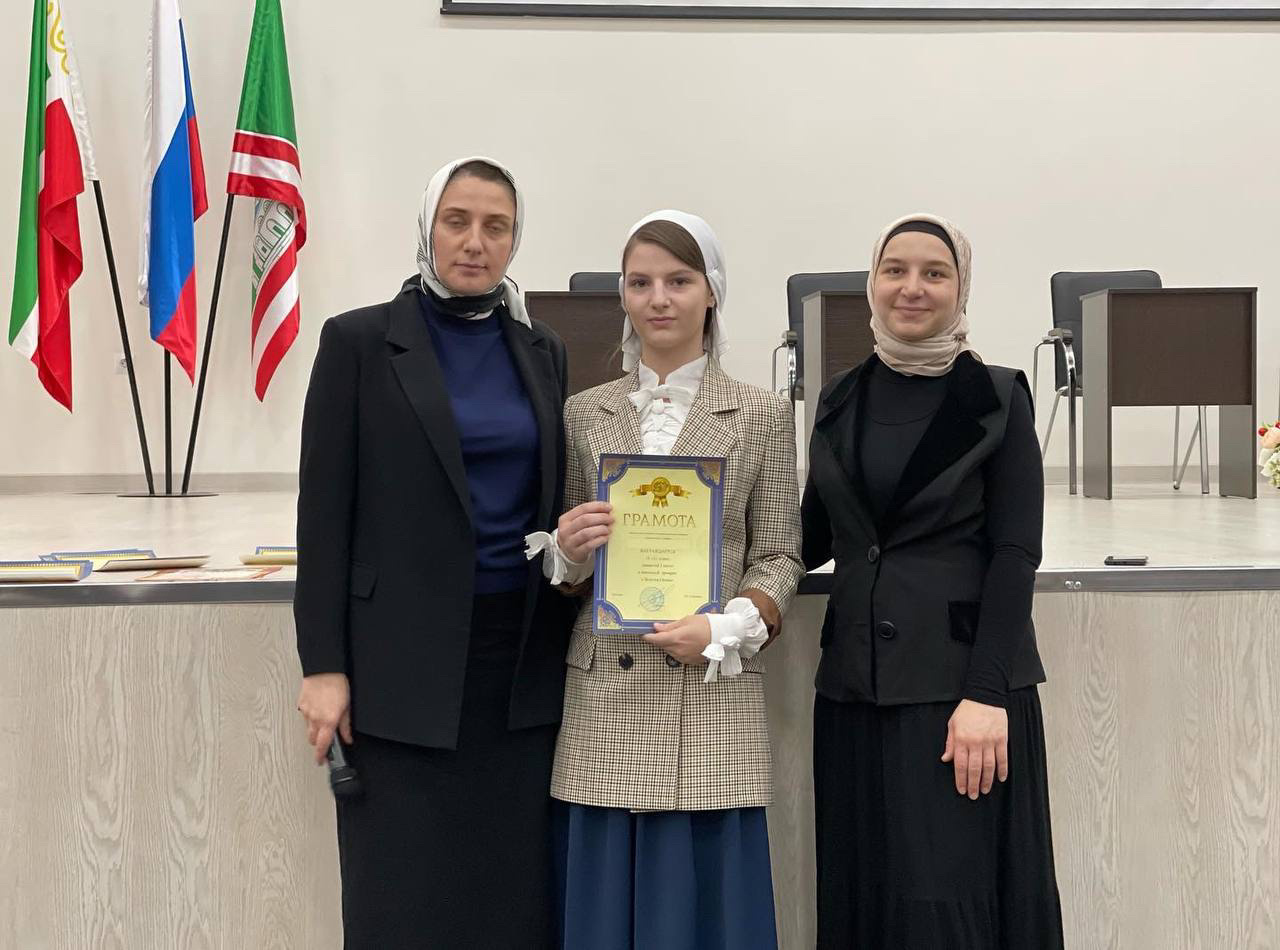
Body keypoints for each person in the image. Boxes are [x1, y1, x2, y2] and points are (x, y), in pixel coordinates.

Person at [293, 156, 574, 948]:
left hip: (516, 670)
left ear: (515, 240)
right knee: (402, 898)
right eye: (458, 221)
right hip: (399, 671)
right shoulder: (358, 342)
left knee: (511, 898)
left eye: (496, 226)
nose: (475, 242)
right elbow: (323, 516)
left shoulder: (541, 348)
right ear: (428, 226)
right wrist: (323, 666)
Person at [526, 210, 804, 950]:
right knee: (604, 913)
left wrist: (726, 627)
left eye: (679, 281)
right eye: (640, 282)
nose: (658, 299)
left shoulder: (762, 414)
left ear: (711, 292)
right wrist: (569, 552)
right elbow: (568, 570)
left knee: (706, 911)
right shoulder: (583, 413)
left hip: (707, 689)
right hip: (606, 693)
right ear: (622, 295)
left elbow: (781, 554)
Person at [801, 212, 1064, 948]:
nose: (911, 287)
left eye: (934, 273)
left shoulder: (997, 398)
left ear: (960, 288)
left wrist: (986, 694)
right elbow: (812, 539)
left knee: (946, 905)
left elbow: (1015, 554)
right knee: (863, 897)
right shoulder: (840, 398)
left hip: (955, 699)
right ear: (872, 283)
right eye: (895, 270)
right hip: (853, 692)